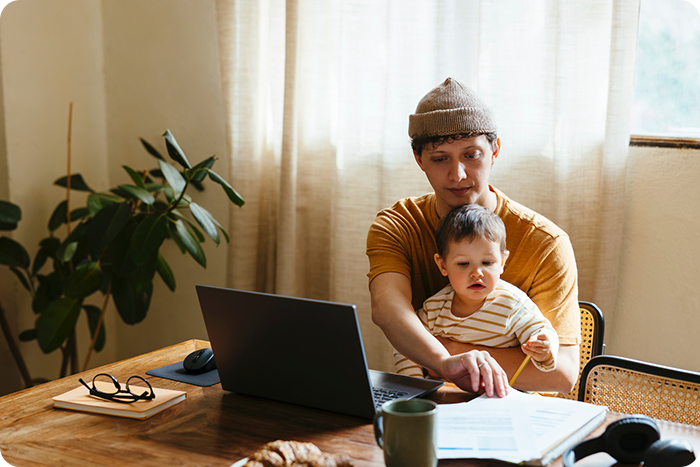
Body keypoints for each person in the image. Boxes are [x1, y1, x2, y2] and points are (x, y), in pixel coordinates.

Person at [366, 77, 579, 396]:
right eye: (440, 159)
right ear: (419, 159)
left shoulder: (546, 243)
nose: (458, 175)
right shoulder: (397, 225)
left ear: (495, 151)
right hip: (429, 401)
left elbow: (560, 374)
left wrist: (445, 351)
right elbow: (388, 309)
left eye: (471, 155)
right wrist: (445, 360)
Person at [393, 204, 559, 379]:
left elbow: (542, 331)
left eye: (487, 263)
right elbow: (406, 345)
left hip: (498, 398)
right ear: (443, 265)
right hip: (445, 398)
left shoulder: (513, 303)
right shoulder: (434, 309)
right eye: (463, 264)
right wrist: (415, 386)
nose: (477, 273)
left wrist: (545, 350)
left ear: (502, 262)